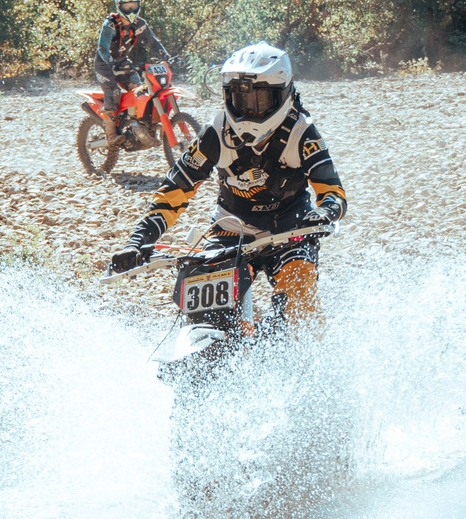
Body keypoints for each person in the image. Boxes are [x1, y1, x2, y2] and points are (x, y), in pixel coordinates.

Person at [106, 41, 346, 321]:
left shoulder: (301, 132)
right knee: (204, 312)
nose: (247, 110)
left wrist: (324, 212)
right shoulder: (215, 132)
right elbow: (174, 192)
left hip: (290, 233)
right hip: (230, 231)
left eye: (258, 101)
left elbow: (333, 192)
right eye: (239, 98)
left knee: (300, 309)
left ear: (283, 94)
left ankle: (302, 345)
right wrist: (137, 241)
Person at [93, 0, 171, 139]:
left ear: (139, 6)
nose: (130, 10)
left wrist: (167, 56)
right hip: (104, 65)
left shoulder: (139, 24)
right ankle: (111, 134)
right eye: (126, 6)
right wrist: (111, 63)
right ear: (119, 6)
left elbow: (153, 42)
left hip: (123, 62)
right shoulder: (110, 25)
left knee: (139, 91)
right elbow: (102, 48)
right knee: (114, 93)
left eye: (133, 6)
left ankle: (136, 125)